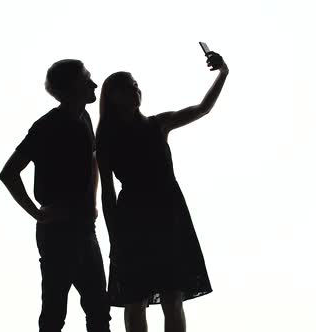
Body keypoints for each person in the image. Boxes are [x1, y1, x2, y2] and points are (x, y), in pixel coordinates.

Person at [96, 51, 229, 332]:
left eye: (135, 84)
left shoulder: (158, 123)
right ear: (114, 96)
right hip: (135, 218)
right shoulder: (107, 139)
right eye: (127, 86)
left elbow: (203, 108)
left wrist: (223, 73)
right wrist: (114, 236)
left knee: (172, 295)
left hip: (169, 216)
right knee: (135, 299)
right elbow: (106, 192)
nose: (135, 89)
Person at [0, 59, 111, 332]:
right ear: (73, 85)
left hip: (85, 228)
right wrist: (37, 212)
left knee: (97, 310)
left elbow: (92, 159)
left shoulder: (84, 118)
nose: (93, 84)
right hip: (59, 232)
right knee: (55, 313)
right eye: (87, 78)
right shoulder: (47, 126)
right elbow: (9, 173)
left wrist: (92, 200)